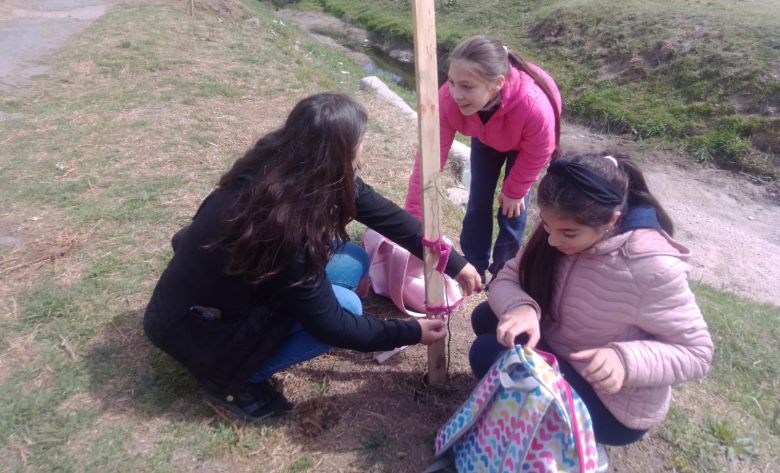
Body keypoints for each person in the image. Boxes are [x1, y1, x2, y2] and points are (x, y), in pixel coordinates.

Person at [143, 93, 482, 421]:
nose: (364, 147)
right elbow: (334, 326)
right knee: (347, 306)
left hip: (226, 293)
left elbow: (390, 218)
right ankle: (240, 377)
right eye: (360, 140)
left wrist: (454, 262)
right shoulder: (285, 225)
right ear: (339, 151)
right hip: (202, 332)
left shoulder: (291, 166)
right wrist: (411, 332)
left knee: (352, 261)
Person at [469, 152, 714, 470]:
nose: (553, 239)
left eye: (568, 233)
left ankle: (580, 444)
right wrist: (522, 307)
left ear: (611, 220)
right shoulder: (561, 225)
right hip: (564, 349)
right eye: (546, 224)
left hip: (611, 404)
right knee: (486, 317)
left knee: (485, 352)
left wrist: (624, 360)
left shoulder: (651, 266)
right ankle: (552, 417)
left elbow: (697, 352)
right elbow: (509, 276)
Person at [405, 35, 561, 282]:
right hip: (485, 136)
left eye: (466, 86)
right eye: (452, 82)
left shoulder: (534, 106)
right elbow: (429, 160)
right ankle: (473, 265)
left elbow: (540, 150)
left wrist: (515, 190)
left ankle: (504, 270)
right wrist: (414, 216)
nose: (456, 93)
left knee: (512, 208)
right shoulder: (447, 99)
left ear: (498, 83)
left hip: (525, 146)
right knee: (479, 197)